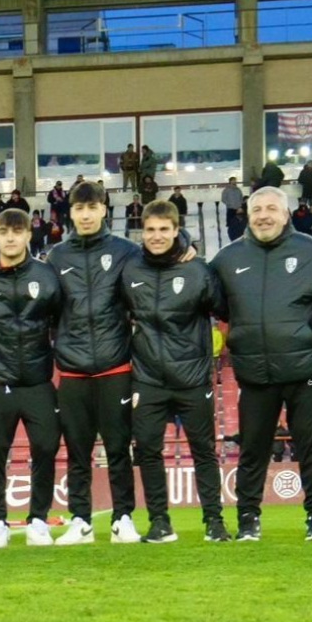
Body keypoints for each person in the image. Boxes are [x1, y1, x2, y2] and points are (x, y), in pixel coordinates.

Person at [210, 186, 312, 542]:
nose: (263, 215)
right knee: (252, 451)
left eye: (271, 209)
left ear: (286, 214)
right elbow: (220, 307)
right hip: (255, 374)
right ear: (247, 215)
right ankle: (248, 520)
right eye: (257, 210)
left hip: (305, 371)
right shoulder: (226, 259)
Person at [109, 200, 226, 544]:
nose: (157, 236)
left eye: (164, 229)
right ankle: (160, 522)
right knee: (147, 450)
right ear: (141, 232)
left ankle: (214, 522)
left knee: (203, 450)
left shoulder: (198, 270)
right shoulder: (130, 271)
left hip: (192, 377)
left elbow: (223, 310)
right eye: (150, 230)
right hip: (148, 378)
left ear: (177, 231)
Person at [45, 181, 143, 546]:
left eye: (92, 207)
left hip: (115, 367)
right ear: (70, 212)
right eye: (79, 208)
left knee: (118, 448)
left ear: (104, 209)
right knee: (77, 451)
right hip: (72, 370)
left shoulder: (126, 251)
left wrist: (184, 245)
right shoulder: (56, 256)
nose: (85, 215)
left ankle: (123, 518)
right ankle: (80, 520)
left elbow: (155, 273)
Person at [0, 208, 64, 547]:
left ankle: (38, 520)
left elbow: (61, 320)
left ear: (28, 235)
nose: (10, 237)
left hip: (37, 381)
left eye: (17, 231)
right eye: (4, 231)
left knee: (46, 448)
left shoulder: (47, 275)